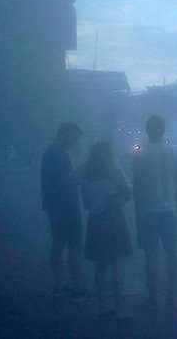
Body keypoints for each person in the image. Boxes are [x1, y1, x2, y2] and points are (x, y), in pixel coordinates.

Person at [133, 115, 177, 309]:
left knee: (151, 256)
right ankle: (172, 295)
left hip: (148, 211)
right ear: (163, 130)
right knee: (172, 254)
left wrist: (138, 211)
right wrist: (176, 204)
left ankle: (153, 296)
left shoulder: (141, 154)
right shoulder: (173, 152)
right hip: (169, 210)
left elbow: (137, 186)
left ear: (147, 130)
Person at [80, 142, 132, 320]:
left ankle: (101, 306)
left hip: (95, 222)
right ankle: (119, 309)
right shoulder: (115, 174)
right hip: (114, 222)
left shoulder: (86, 177)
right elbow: (128, 194)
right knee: (117, 267)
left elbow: (86, 204)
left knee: (100, 267)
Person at [41, 122, 89, 299]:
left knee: (59, 244)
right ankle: (76, 287)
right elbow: (66, 180)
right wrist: (83, 170)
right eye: (74, 137)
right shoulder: (58, 154)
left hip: (56, 205)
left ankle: (59, 286)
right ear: (66, 134)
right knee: (74, 245)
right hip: (64, 206)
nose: (75, 142)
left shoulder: (53, 152)